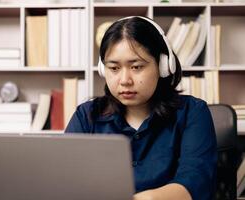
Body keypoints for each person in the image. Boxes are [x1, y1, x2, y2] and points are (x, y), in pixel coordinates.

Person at [65, 16, 217, 200]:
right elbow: (67, 180)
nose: (124, 80)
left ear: (163, 66)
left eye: (136, 67)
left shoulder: (192, 112)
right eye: (113, 68)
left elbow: (196, 182)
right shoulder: (86, 116)